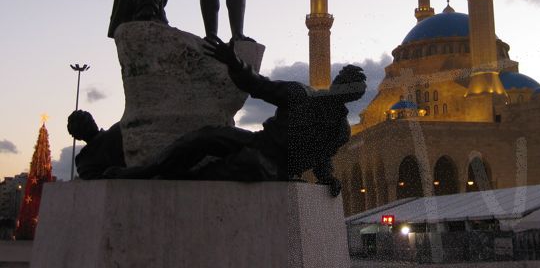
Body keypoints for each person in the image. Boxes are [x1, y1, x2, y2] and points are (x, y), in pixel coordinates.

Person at [104, 38, 366, 196]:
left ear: (351, 97)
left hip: (278, 168)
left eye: (348, 89)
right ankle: (146, 171)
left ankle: (181, 186)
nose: (340, 88)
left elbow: (322, 157)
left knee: (244, 164)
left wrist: (327, 178)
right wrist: (234, 63)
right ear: (335, 81)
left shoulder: (340, 131)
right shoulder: (300, 95)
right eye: (341, 81)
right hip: (258, 141)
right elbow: (257, 84)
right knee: (209, 136)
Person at [67, 110, 125, 180]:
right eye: (84, 124)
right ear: (77, 136)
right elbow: (97, 182)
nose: (90, 124)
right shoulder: (83, 160)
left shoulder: (117, 130)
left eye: (90, 120)